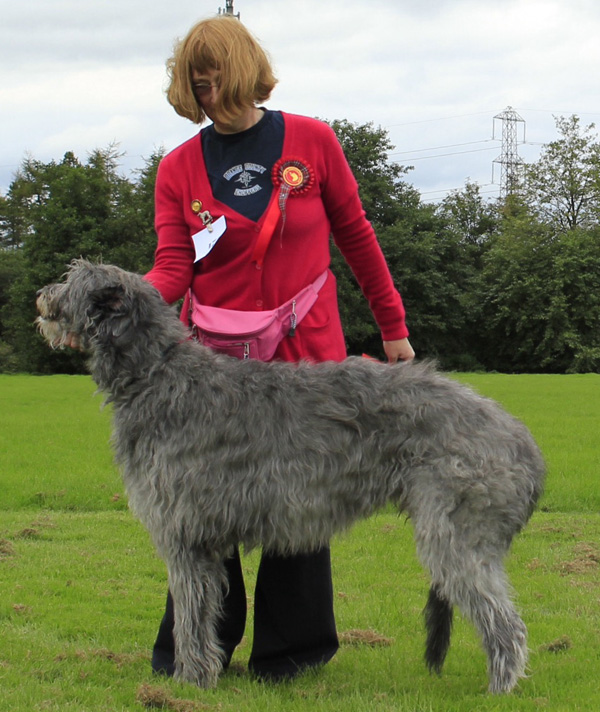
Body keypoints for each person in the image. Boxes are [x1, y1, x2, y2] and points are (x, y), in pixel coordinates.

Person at [145, 15, 415, 682]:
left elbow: (356, 236)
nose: (209, 100)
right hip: (213, 368)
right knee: (207, 510)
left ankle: (290, 656)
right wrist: (125, 298)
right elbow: (173, 266)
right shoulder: (178, 169)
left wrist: (393, 326)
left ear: (244, 73)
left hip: (307, 354)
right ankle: (197, 647)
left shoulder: (313, 141)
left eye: (216, 84)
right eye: (197, 88)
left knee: (300, 500)